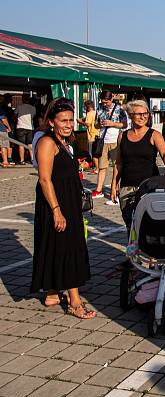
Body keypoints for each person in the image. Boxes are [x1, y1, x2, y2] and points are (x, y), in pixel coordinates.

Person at [31, 98, 95, 319]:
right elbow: (44, 179)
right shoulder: (47, 142)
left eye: (70, 120)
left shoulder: (65, 142)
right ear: (51, 122)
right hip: (57, 202)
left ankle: (51, 293)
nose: (68, 124)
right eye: (63, 121)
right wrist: (57, 210)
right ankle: (75, 302)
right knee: (69, 247)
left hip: (67, 200)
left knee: (56, 246)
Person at [113, 100, 165, 229]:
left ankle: (147, 249)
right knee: (131, 225)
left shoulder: (154, 135)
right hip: (127, 187)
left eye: (145, 113)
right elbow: (119, 163)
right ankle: (133, 249)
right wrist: (114, 185)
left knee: (148, 225)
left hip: (149, 186)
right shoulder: (122, 136)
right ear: (130, 115)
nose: (142, 117)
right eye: (138, 114)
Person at [91, 91, 126, 200]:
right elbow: (95, 125)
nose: (105, 104)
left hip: (115, 141)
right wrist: (99, 124)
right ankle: (98, 190)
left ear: (111, 99)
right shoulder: (99, 109)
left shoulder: (119, 109)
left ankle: (116, 189)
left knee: (117, 166)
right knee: (102, 167)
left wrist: (112, 124)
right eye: (103, 102)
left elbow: (124, 124)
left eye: (106, 102)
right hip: (103, 140)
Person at [77, 100, 100, 173]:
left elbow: (88, 124)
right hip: (98, 134)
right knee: (97, 153)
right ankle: (98, 167)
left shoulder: (89, 114)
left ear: (87, 106)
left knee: (92, 153)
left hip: (92, 135)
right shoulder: (95, 112)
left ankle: (97, 168)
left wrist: (79, 122)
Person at [15, 95, 36, 164]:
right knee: (30, 144)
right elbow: (34, 116)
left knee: (21, 144)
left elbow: (15, 115)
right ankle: (32, 159)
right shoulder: (33, 108)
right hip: (30, 127)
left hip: (20, 127)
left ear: (22, 100)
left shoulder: (19, 107)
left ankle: (22, 160)